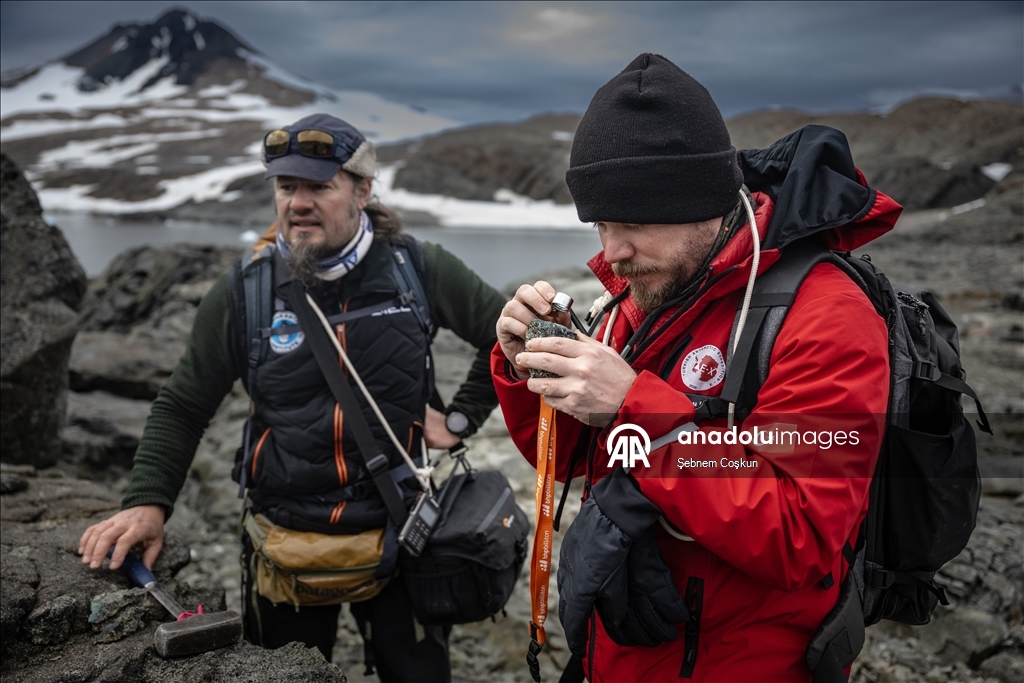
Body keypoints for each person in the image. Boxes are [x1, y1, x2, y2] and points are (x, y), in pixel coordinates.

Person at [494, 54, 901, 682]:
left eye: (632, 224)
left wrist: (638, 412)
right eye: (600, 223)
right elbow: (576, 458)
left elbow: (800, 533)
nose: (611, 253)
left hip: (744, 665)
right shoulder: (643, 295)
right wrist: (530, 371)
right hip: (622, 652)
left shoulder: (826, 317)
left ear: (703, 202)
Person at [79, 113, 507, 682]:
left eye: (318, 186)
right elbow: (183, 404)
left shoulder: (418, 269)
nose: (298, 202)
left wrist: (460, 416)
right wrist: (148, 503)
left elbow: (510, 340)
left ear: (361, 190)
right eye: (286, 187)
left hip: (402, 535)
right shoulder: (244, 292)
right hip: (285, 543)